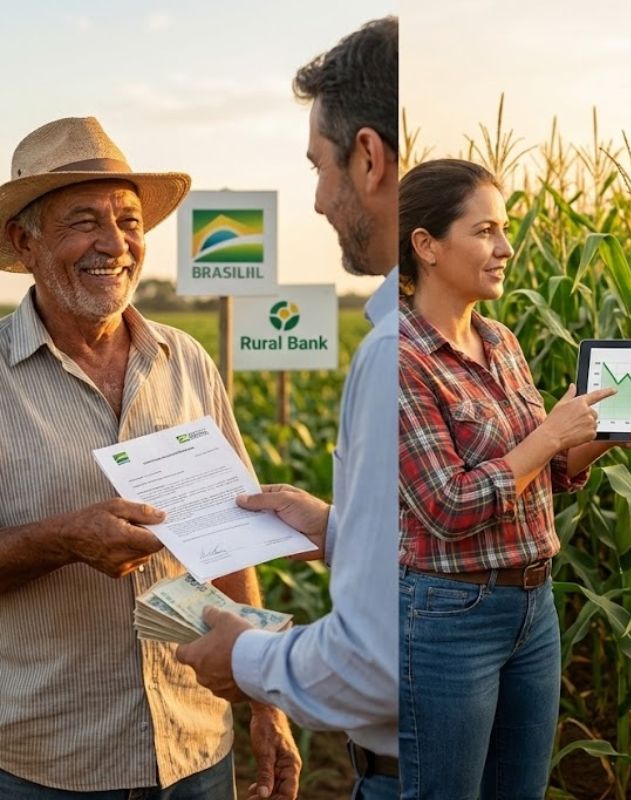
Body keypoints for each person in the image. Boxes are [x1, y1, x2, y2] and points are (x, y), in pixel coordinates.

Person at [0, 117, 298, 797]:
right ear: (26, 240)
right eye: (84, 221)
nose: (114, 244)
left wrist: (264, 698)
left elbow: (231, 541)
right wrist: (61, 540)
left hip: (195, 742)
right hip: (50, 761)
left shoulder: (185, 359)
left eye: (129, 221)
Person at [395, 158, 631, 798]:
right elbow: (449, 506)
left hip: (534, 606)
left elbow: (542, 473)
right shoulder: (402, 359)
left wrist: (597, 437)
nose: (506, 248)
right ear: (426, 246)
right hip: (448, 614)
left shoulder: (503, 342)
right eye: (485, 230)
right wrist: (550, 432)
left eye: (505, 229)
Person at [174, 17, 400, 797]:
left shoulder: (391, 356)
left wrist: (248, 665)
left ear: (368, 157)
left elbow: (375, 661)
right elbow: (438, 559)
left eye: (319, 166)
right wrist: (336, 527)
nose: (316, 200)